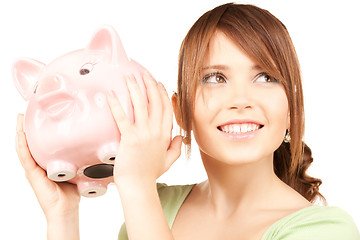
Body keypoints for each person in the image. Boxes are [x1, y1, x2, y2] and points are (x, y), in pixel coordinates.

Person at [15, 3, 359, 240]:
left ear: (292, 109)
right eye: (214, 78)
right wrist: (62, 216)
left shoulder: (326, 230)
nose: (241, 99)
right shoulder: (157, 207)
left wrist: (137, 187)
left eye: (266, 77)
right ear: (180, 110)